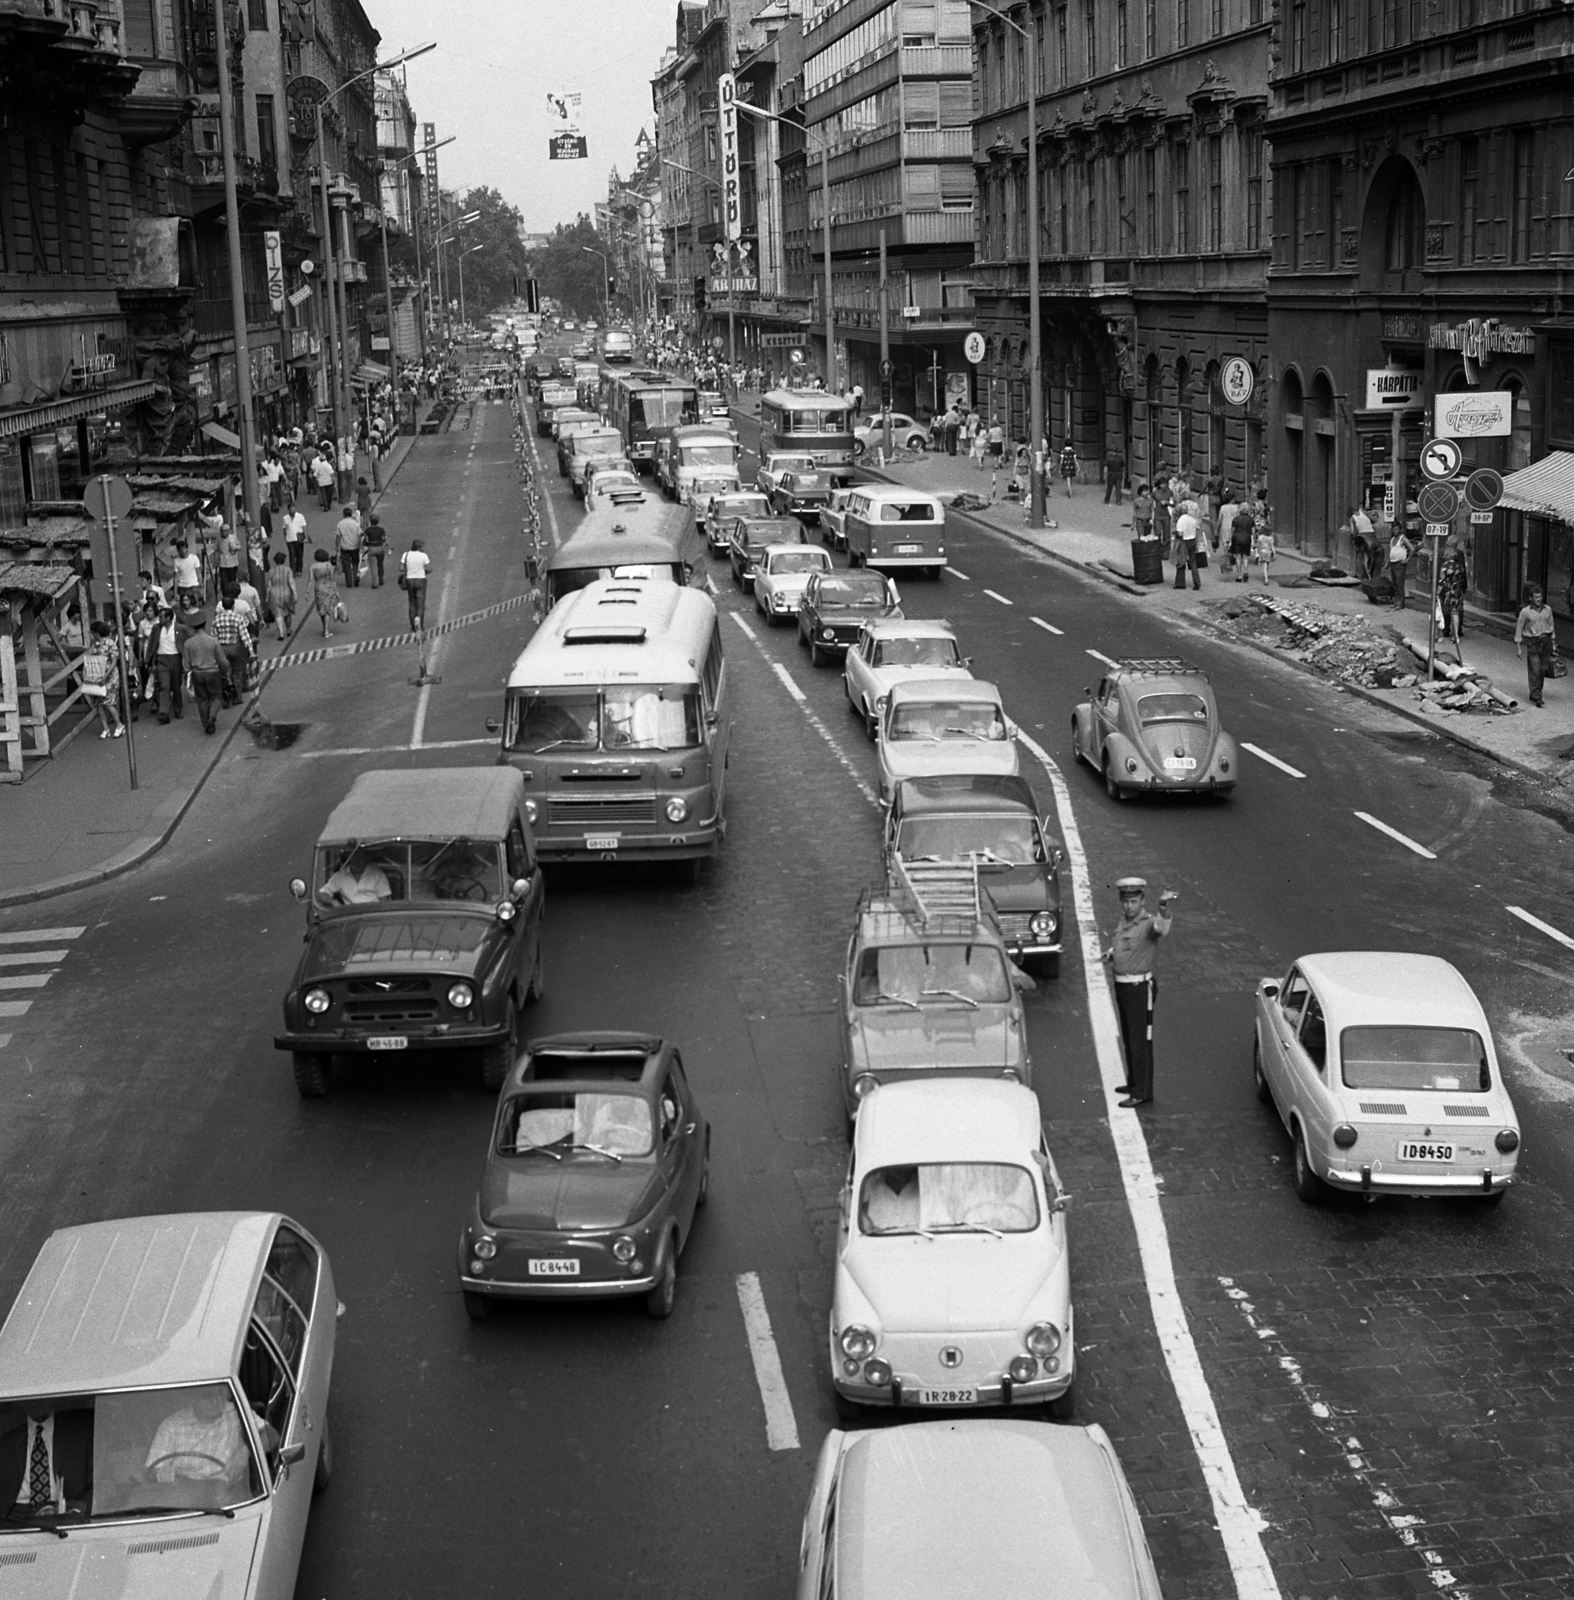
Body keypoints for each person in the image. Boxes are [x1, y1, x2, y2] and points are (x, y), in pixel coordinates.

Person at [1102, 878, 1175, 1108]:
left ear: (1142, 900)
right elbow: (1127, 946)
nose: (1129, 906)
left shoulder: (1147, 923)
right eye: (1125, 902)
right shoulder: (1125, 922)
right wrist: (1113, 954)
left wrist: (1163, 907)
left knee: (1140, 1041)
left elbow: (1161, 928)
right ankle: (1134, 1081)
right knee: (1129, 1038)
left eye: (1133, 901)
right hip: (1123, 986)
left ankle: (1142, 1091)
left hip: (1138, 989)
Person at [1, 1405, 95, 1516]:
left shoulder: (81, 1427)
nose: (37, 1401)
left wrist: (76, 1511)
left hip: (65, 1514)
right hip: (15, 1516)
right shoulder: (6, 1429)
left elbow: (100, 1483)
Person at [146, 1387, 249, 1486]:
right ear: (193, 1397)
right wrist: (162, 1473)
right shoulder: (172, 1426)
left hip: (228, 1494)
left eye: (220, 1392)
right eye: (207, 1395)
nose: (215, 1401)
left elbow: (264, 1434)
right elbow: (152, 1470)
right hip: (185, 1494)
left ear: (227, 1393)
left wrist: (245, 1451)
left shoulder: (238, 1413)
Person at [180, 613, 230, 734]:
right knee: (216, 697)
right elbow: (222, 660)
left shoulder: (188, 643)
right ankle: (212, 718)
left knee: (202, 699)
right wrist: (226, 670)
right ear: (205, 625)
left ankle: (205, 722)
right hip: (212, 672)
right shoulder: (213, 641)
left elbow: (186, 663)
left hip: (197, 673)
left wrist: (187, 674)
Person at [1515, 584, 1558, 707]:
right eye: (1536, 597)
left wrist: (1554, 644)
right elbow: (1519, 628)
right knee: (1535, 669)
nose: (1539, 599)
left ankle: (1535, 691)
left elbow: (1551, 625)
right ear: (1531, 598)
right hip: (1533, 642)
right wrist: (1518, 647)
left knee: (1543, 669)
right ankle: (1537, 696)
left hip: (1546, 642)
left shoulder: (1547, 610)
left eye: (1540, 597)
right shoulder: (1525, 612)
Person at [145, 605, 189, 723]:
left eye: (161, 617)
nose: (159, 619)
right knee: (164, 686)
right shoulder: (156, 629)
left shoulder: (180, 628)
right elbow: (151, 644)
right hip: (161, 660)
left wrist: (187, 660)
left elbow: (188, 643)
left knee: (176, 686)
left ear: (168, 618)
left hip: (175, 659)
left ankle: (178, 709)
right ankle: (163, 712)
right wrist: (149, 661)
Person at [81, 621, 124, 738]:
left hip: (110, 676)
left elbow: (114, 661)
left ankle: (119, 725)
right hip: (97, 676)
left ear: (96, 632)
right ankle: (105, 728)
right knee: (99, 704)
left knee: (108, 702)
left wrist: (105, 676)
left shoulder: (111, 644)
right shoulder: (94, 645)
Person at [210, 593, 252, 707]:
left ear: (222, 606)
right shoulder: (238, 618)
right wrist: (251, 650)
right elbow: (244, 636)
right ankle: (237, 697)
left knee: (223, 673)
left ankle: (225, 697)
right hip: (234, 647)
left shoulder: (216, 620)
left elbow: (214, 637)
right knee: (236, 672)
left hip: (221, 649)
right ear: (233, 606)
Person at [861, 1164, 921, 1232]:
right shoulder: (870, 1184)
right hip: (877, 1239)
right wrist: (868, 1226)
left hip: (917, 1238)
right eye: (896, 1167)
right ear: (885, 1168)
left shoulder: (923, 1183)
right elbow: (852, 1207)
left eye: (905, 1165)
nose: (902, 1170)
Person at [1437, 544, 1468, 652]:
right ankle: (1456, 636)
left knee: (1445, 612)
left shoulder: (1445, 566)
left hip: (1447, 592)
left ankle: (1445, 631)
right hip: (1457, 592)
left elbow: (1442, 580)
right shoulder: (1460, 566)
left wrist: (1437, 592)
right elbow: (1463, 579)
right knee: (1455, 613)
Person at [323, 856, 394, 904]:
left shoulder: (378, 874)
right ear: (350, 858)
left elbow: (385, 902)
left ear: (366, 859)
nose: (358, 861)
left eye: (361, 857)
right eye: (355, 857)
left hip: (373, 914)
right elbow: (321, 893)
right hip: (351, 915)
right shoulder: (340, 876)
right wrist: (333, 902)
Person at [266, 550, 297, 641]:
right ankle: (288, 629)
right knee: (287, 613)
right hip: (286, 593)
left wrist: (267, 598)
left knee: (278, 614)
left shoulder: (271, 571)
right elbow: (291, 583)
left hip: (274, 594)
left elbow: (268, 586)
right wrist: (295, 594)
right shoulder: (288, 570)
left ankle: (281, 633)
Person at [309, 548, 340, 639]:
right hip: (328, 588)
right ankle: (326, 631)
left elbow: (310, 579)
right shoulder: (329, 565)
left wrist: (307, 591)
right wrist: (336, 591)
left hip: (318, 588)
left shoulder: (313, 566)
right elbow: (332, 579)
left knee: (321, 609)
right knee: (328, 609)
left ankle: (324, 628)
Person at [401, 538, 431, 630]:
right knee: (420, 603)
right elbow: (429, 569)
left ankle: (413, 626)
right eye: (421, 547)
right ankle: (420, 625)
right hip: (421, 580)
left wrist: (410, 569)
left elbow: (401, 568)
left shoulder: (406, 554)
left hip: (410, 580)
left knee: (412, 602)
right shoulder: (423, 556)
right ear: (418, 547)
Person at [1173, 499, 1202, 590]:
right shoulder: (1192, 519)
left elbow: (1180, 534)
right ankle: (1196, 581)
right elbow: (1197, 530)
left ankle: (1180, 583)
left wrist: (1176, 533)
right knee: (1193, 562)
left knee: (1181, 562)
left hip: (1183, 542)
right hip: (1192, 541)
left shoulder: (1180, 521)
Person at [334, 505, 362, 588]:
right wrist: (361, 545)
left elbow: (338, 536)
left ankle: (349, 583)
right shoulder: (356, 524)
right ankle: (355, 579)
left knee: (346, 565)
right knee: (355, 563)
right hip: (355, 546)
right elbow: (360, 535)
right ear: (351, 514)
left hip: (345, 547)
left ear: (343, 514)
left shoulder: (340, 524)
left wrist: (336, 546)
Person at [1387, 525, 1414, 610]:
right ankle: (1396, 602)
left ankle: (1400, 603)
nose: (1394, 531)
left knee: (1400, 584)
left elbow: (1412, 548)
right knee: (1394, 584)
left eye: (1396, 529)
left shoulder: (1403, 538)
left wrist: (1407, 559)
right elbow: (1391, 551)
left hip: (1400, 564)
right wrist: (1387, 563)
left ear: (1400, 530)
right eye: (1393, 529)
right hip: (1393, 563)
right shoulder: (1392, 539)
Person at [171, 539, 202, 609]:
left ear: (187, 549)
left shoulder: (194, 558)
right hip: (182, 586)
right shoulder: (176, 561)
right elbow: (175, 577)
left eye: (184, 548)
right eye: (180, 549)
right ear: (178, 550)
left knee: (195, 604)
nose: (182, 550)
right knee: (183, 606)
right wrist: (175, 592)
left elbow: (199, 572)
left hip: (194, 585)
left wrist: (201, 586)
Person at [1230, 498, 1255, 583]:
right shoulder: (1251, 519)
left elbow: (1232, 530)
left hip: (1237, 538)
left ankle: (1239, 575)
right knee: (1245, 556)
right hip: (1247, 538)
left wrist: (1228, 540)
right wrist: (1254, 540)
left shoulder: (1236, 519)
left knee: (1238, 557)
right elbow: (1253, 531)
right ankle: (1246, 571)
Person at [363, 512, 388, 587]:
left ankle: (375, 583)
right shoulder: (381, 530)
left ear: (370, 521)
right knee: (380, 564)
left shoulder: (368, 530)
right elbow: (386, 539)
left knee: (373, 566)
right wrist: (384, 545)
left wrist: (364, 546)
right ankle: (381, 579)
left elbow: (364, 539)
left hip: (371, 548)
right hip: (380, 548)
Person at [282, 499, 306, 575]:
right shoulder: (285, 518)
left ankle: (299, 570)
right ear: (288, 510)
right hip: (290, 539)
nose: (293, 511)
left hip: (299, 539)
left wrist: (305, 536)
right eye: (291, 510)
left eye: (294, 509)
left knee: (299, 555)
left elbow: (304, 526)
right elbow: (284, 529)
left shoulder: (300, 516)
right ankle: (293, 570)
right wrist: (285, 538)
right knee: (292, 555)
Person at [1251, 519, 1276, 585]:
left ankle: (1266, 578)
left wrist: (1256, 548)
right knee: (1267, 564)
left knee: (1264, 565)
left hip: (1262, 551)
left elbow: (1258, 545)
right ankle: (1266, 576)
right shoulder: (1271, 538)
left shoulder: (1261, 537)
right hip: (1269, 552)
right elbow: (1272, 546)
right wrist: (1274, 553)